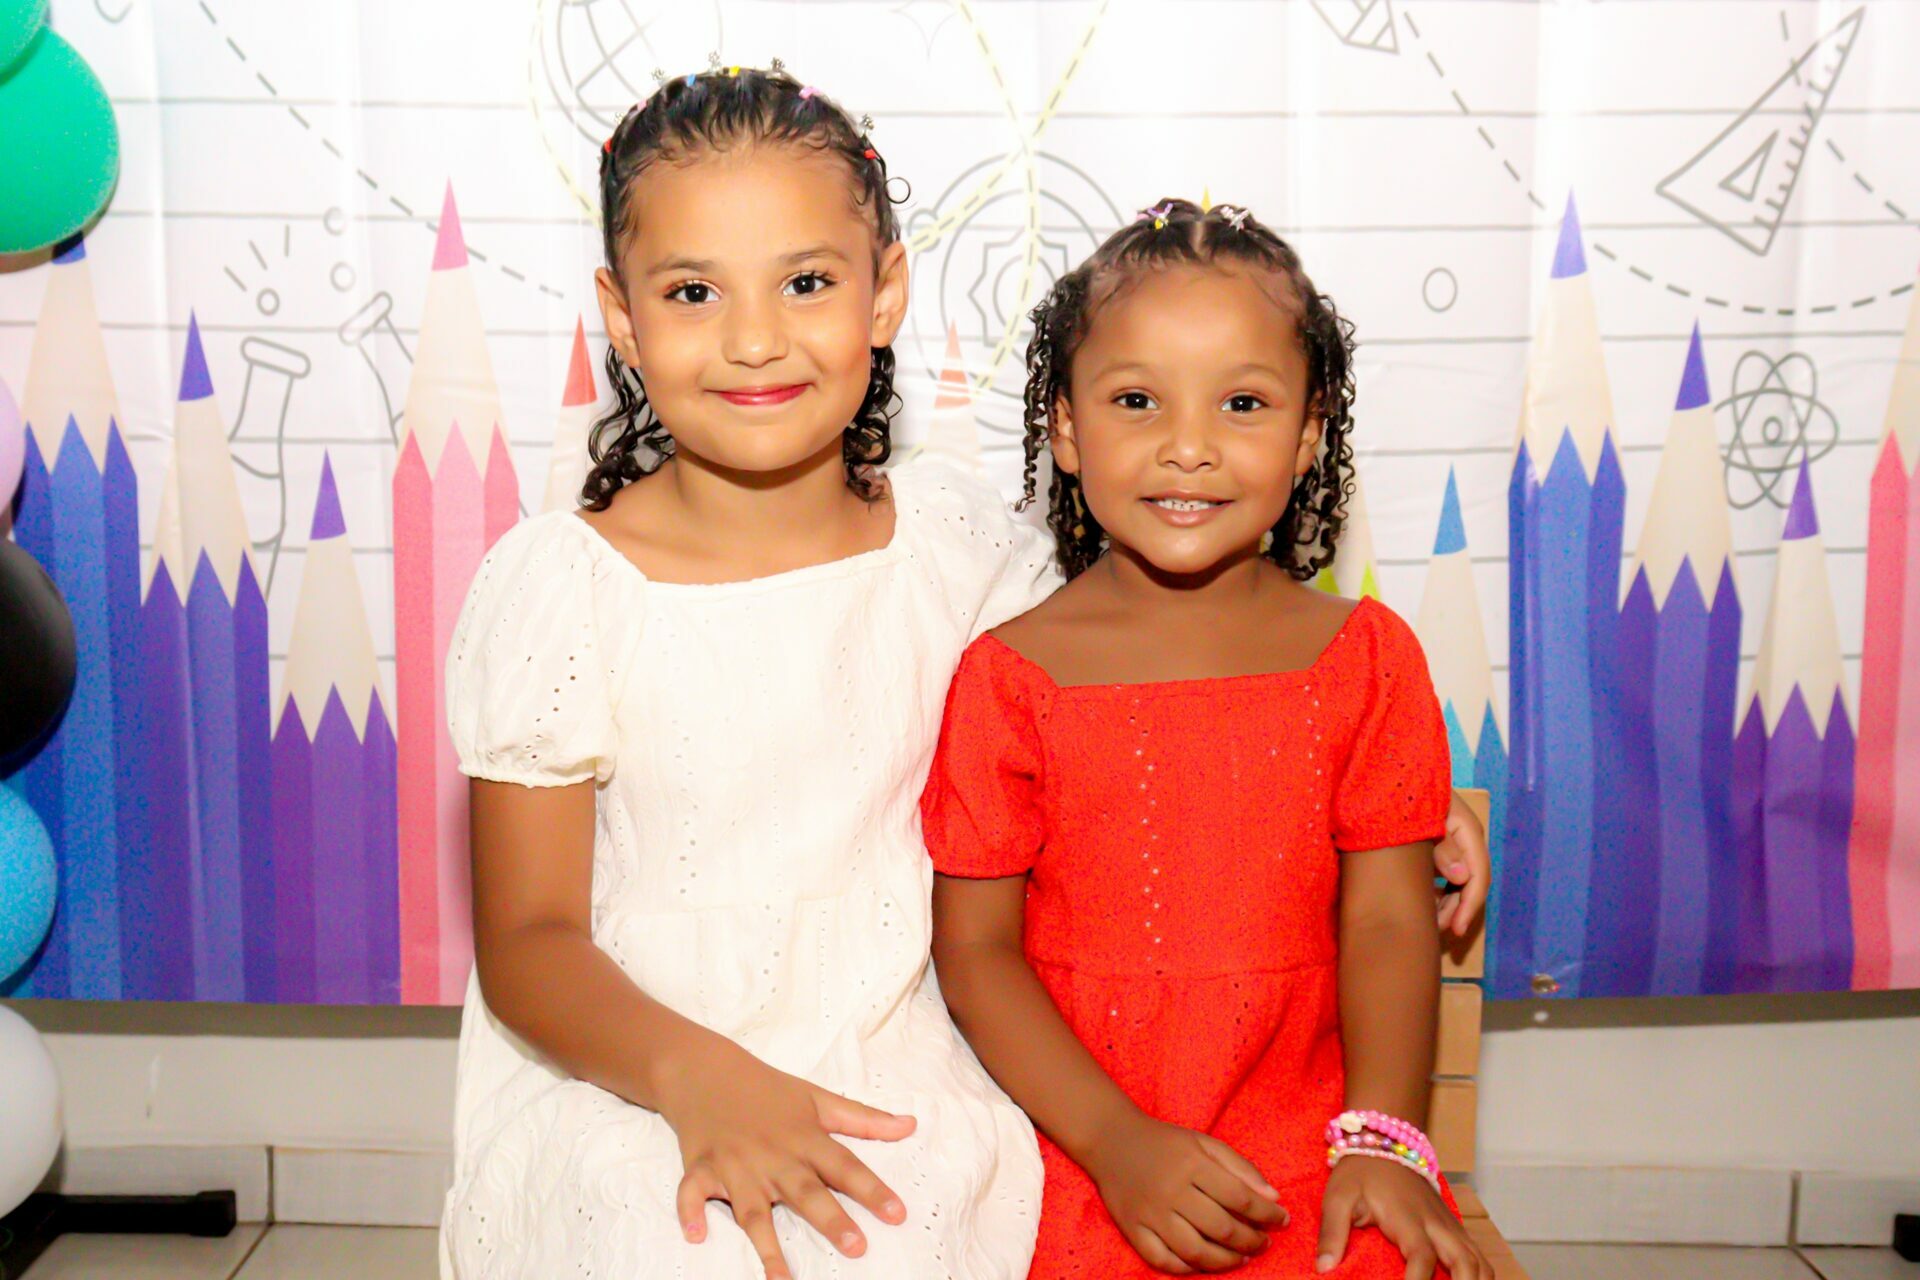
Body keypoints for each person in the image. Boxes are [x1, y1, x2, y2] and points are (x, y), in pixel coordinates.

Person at [437, 64, 1052, 1279]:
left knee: (891, 1233)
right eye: (693, 291)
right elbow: (529, 941)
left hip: (899, 1041)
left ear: (885, 294)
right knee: (686, 1248)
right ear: (624, 319)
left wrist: (1397, 822)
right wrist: (701, 1079)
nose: (755, 338)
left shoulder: (959, 547)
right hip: (630, 1056)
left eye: (807, 282)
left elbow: (1144, 695)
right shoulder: (566, 587)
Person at [924, 199, 1491, 1280]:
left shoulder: (1367, 658)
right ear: (1066, 429)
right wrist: (1115, 1143)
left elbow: (1387, 917)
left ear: (1309, 432)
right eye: (1137, 400)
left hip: (1314, 1144)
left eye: (1242, 402)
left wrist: (1384, 1141)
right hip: (1071, 1143)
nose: (1188, 448)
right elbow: (975, 950)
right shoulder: (1009, 677)